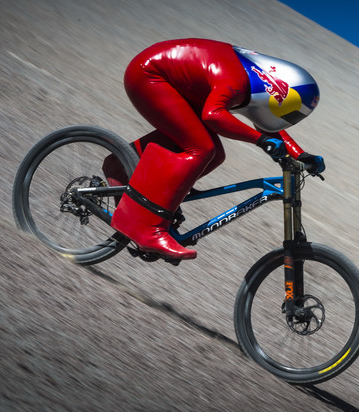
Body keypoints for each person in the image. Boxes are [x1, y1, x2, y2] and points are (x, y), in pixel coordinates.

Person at [102, 38, 324, 261]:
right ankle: (150, 229)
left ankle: (120, 168)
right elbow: (213, 115)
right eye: (289, 108)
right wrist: (259, 140)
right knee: (202, 148)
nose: (285, 116)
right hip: (150, 75)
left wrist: (301, 155)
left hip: (178, 86)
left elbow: (268, 125)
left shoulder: (254, 80)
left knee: (215, 155)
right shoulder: (237, 79)